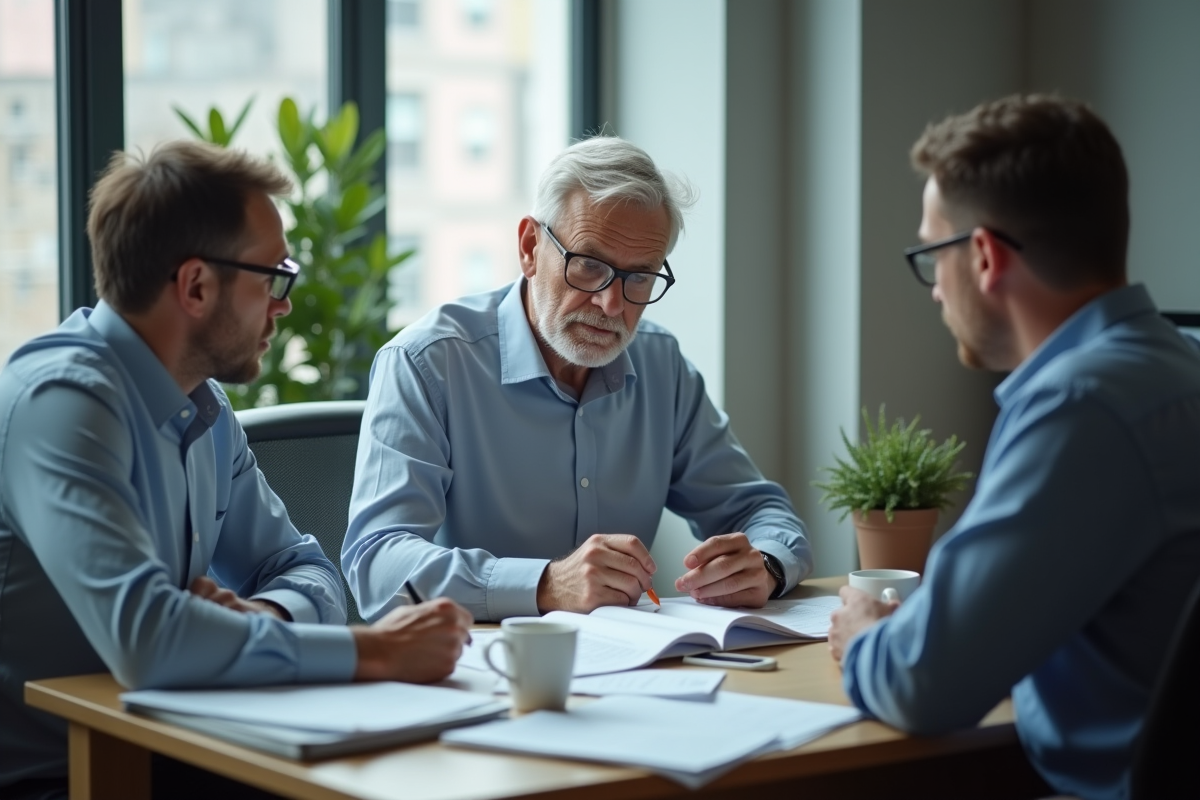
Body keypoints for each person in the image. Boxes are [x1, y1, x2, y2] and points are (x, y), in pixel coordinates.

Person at [0, 141, 472, 799]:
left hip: (190, 749)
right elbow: (148, 640)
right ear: (196, 285)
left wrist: (262, 616)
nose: (283, 304)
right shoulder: (62, 404)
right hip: (61, 777)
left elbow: (306, 569)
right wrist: (377, 650)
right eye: (272, 276)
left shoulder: (205, 407)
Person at [828, 94, 1200, 800]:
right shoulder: (1177, 367)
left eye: (931, 255)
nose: (935, 292)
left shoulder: (1080, 406)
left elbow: (922, 683)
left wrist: (865, 634)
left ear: (983, 256)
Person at [344, 136, 812, 622]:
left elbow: (762, 512)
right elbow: (377, 564)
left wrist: (765, 565)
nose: (612, 305)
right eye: (589, 265)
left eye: (639, 277)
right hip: (480, 655)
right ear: (529, 248)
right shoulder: (426, 363)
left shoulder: (661, 364)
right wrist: (546, 584)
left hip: (635, 657)